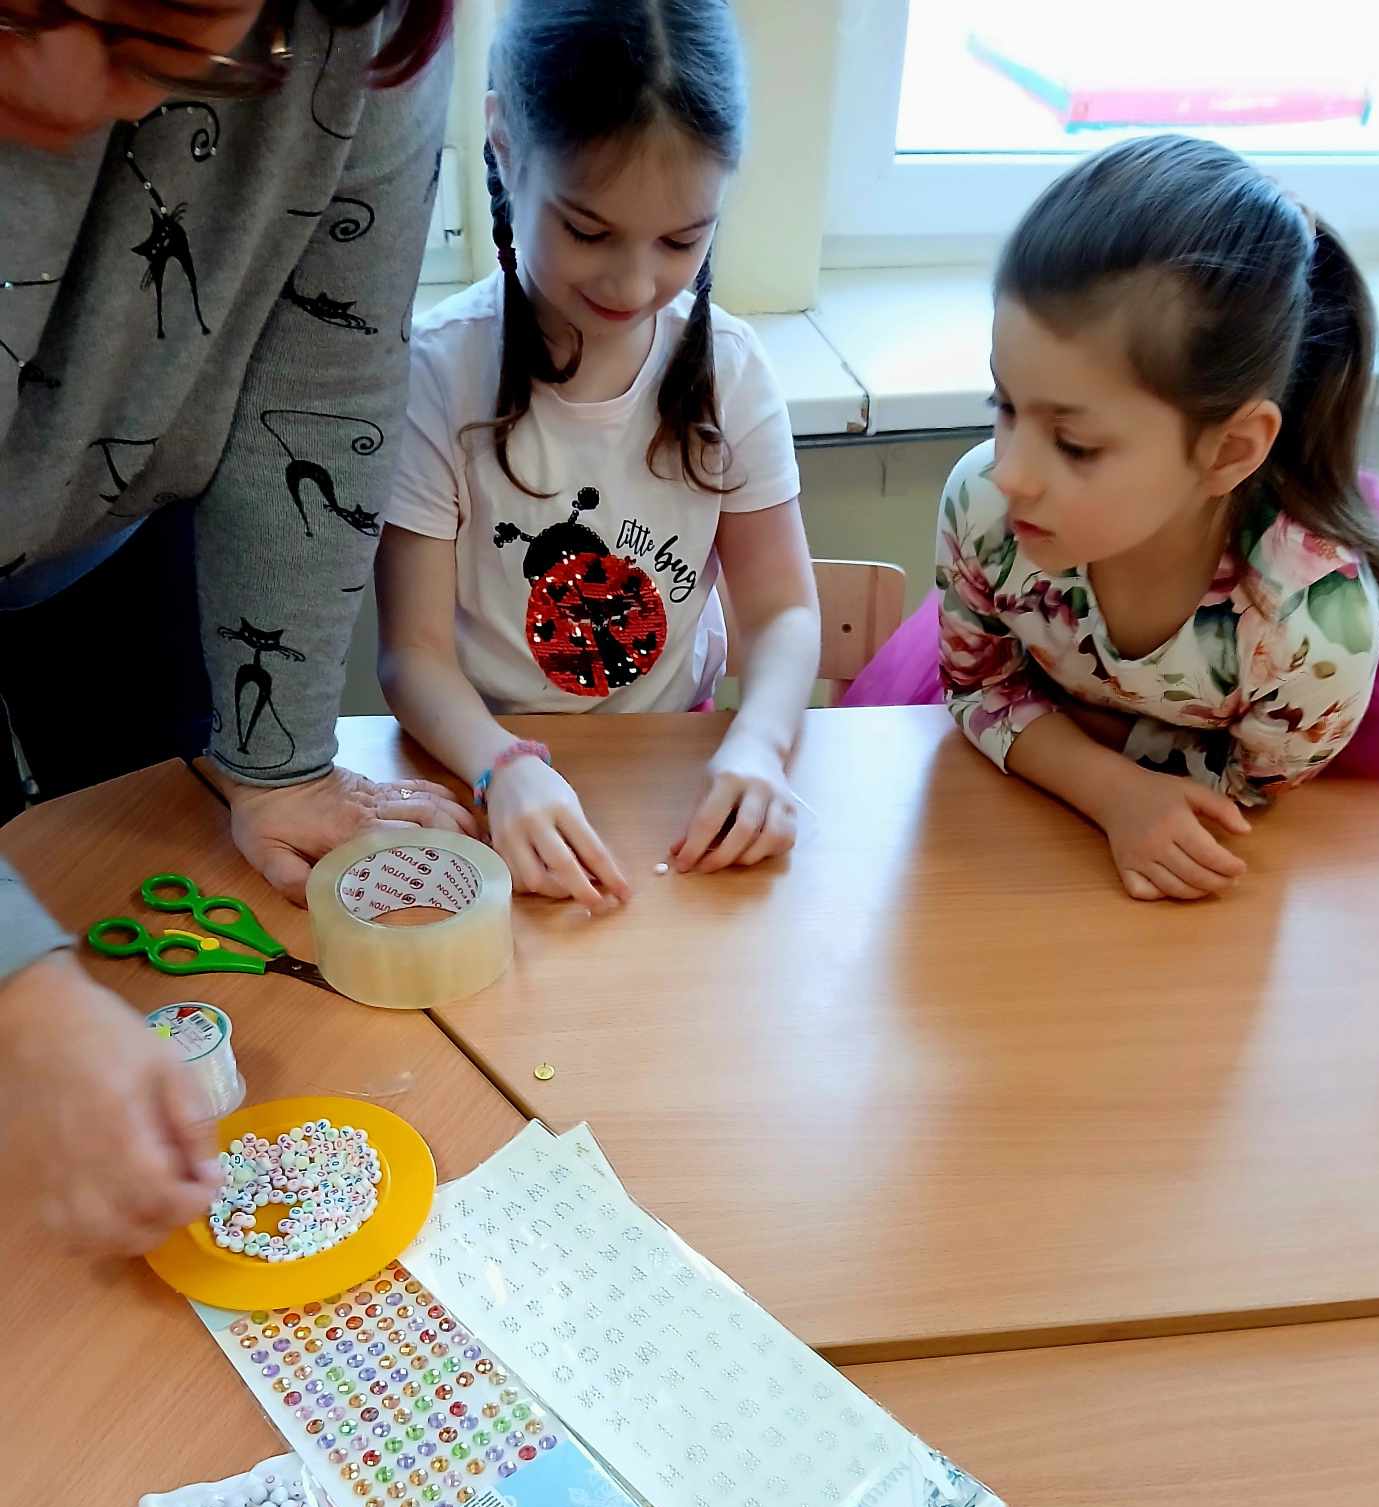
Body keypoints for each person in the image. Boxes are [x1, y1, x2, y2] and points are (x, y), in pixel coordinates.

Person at [0, 0, 475, 1254]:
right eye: (18, 8)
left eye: (164, 43)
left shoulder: (360, 38)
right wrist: (23, 996)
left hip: (107, 548)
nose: (64, 89)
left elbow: (320, 380)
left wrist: (283, 765)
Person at [846, 134, 1379, 901]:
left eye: (1074, 444)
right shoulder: (984, 509)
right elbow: (977, 690)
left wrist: (1074, 737)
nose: (1010, 472)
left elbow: (1252, 789)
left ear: (1229, 451)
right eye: (1004, 406)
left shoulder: (1312, 628)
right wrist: (1112, 790)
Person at [376, 0, 819, 914]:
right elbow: (412, 656)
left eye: (682, 241)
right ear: (504, 145)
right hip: (480, 767)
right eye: (587, 231)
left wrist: (758, 743)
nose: (633, 282)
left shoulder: (729, 371)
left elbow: (782, 611)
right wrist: (503, 768)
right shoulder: (439, 372)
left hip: (671, 765)